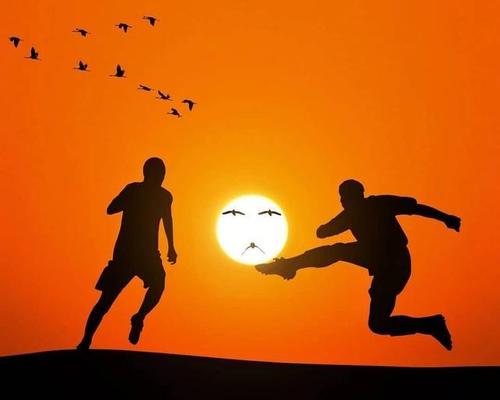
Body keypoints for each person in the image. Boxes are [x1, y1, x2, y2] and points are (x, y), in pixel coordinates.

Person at [256, 179, 461, 350]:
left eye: (345, 197)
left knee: (337, 251)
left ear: (357, 196)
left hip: (395, 260)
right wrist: (342, 220)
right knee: (378, 324)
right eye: (341, 198)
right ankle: (430, 324)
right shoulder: (350, 215)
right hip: (380, 263)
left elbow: (415, 208)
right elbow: (322, 232)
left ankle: (289, 266)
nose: (343, 201)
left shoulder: (378, 204)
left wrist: (445, 218)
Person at [77, 157, 177, 350]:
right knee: (105, 301)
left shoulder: (165, 196)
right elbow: (110, 209)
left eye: (162, 174)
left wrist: (171, 247)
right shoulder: (133, 190)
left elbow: (167, 220)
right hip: (125, 254)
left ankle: (139, 317)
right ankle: (86, 340)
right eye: (158, 174)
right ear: (147, 174)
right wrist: (129, 200)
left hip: (148, 254)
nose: (161, 178)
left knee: (159, 283)